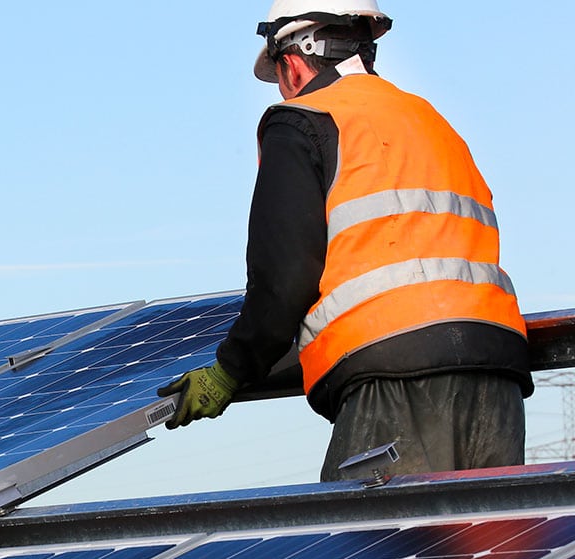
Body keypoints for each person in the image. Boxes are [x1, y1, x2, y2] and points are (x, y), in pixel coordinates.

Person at [158, 0, 533, 482]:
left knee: (382, 548)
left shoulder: (304, 120)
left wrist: (232, 368)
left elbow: (285, 275)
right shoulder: (430, 120)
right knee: (487, 550)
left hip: (394, 372)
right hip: (497, 363)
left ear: (290, 64)